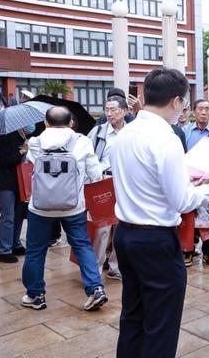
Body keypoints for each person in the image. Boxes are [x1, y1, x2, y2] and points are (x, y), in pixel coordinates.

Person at [109, 68, 209, 358]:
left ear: (144, 95)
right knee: (161, 324)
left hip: (127, 235)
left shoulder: (125, 132)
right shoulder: (165, 138)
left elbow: (146, 181)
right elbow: (182, 201)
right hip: (154, 240)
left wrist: (186, 180)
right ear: (176, 101)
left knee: (133, 316)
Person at [22, 106, 107, 312]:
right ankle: (95, 289)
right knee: (82, 246)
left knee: (35, 250)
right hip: (73, 206)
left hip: (40, 208)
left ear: (45, 123)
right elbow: (95, 175)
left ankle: (36, 295)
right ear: (71, 123)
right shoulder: (82, 141)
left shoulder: (35, 142)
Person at [87, 95, 129, 281]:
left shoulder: (133, 132)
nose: (109, 113)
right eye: (107, 109)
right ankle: (95, 268)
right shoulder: (97, 132)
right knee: (102, 227)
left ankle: (116, 266)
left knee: (121, 226)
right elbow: (87, 157)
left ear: (125, 111)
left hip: (125, 182)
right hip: (103, 180)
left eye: (114, 110)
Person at [183, 98, 209, 267]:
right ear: (194, 111)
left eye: (207, 109)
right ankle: (188, 250)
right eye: (200, 109)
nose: (203, 112)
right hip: (189, 181)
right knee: (189, 217)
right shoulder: (184, 131)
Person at [0, 128, 31, 263]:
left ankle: (16, 244)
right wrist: (22, 151)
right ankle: (4, 251)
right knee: (8, 216)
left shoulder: (23, 138)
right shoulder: (3, 138)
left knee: (19, 215)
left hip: (20, 182)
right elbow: (3, 160)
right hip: (5, 182)